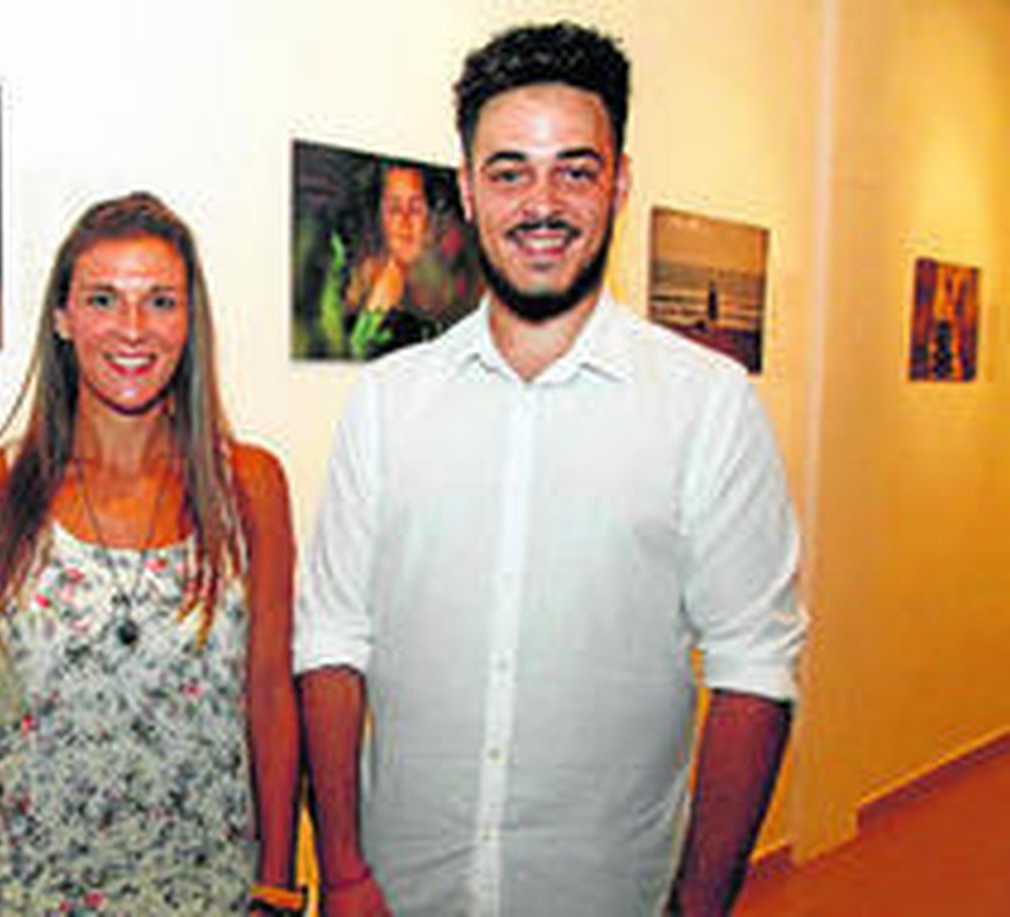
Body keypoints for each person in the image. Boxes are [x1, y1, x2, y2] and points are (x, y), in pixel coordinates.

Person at [296, 21, 806, 917]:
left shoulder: (709, 407)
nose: (542, 203)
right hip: (404, 891)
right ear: (467, 189)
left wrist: (698, 904)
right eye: (509, 171)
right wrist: (341, 870)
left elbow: (754, 669)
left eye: (575, 170)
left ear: (619, 183)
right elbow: (332, 638)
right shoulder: (387, 402)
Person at [0, 193, 301, 914]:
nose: (133, 328)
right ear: (62, 318)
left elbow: (272, 697)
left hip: (209, 895)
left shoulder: (249, 487)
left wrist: (276, 889)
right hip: (29, 896)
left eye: (161, 301)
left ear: (189, 322)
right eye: (102, 299)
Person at [341, 164, 446, 358]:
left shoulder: (444, 290)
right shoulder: (361, 285)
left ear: (431, 218)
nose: (405, 221)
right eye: (395, 209)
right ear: (379, 219)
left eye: (415, 208)